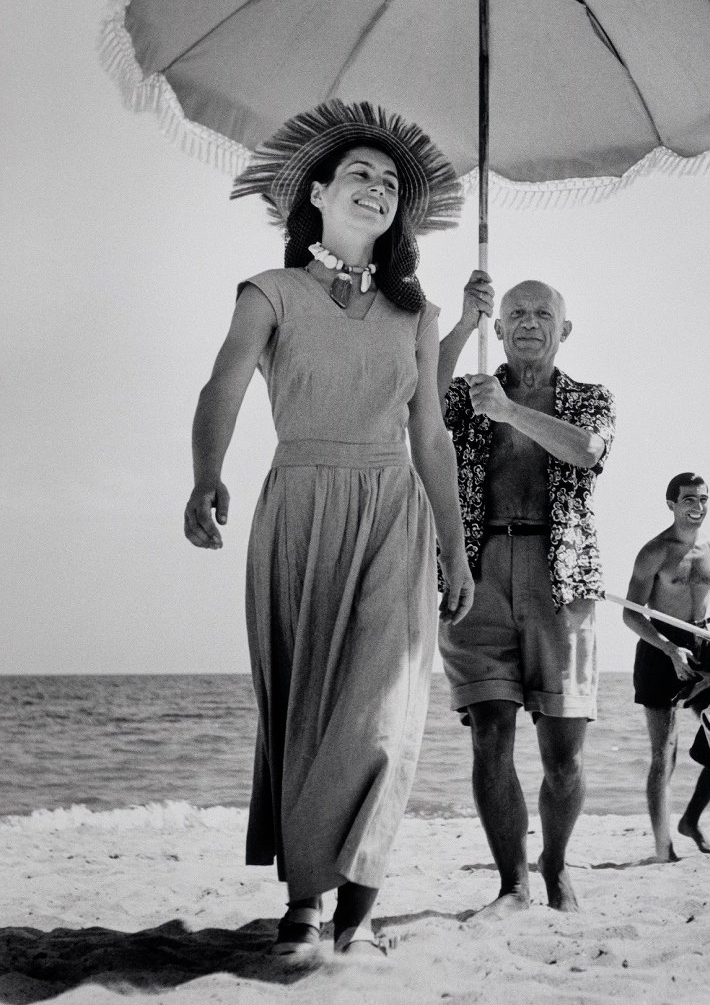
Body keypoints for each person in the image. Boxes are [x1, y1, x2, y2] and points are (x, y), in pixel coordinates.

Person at [183, 100, 474, 961]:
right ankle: (306, 899)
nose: (377, 188)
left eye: (390, 182)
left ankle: (360, 897)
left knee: (383, 714)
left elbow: (429, 436)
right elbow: (223, 388)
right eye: (360, 173)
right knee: (308, 709)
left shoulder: (416, 315)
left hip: (393, 512)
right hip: (301, 505)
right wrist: (206, 474)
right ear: (315, 193)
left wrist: (454, 547)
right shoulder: (268, 293)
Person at [437, 271, 616, 914]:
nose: (529, 323)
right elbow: (416, 401)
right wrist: (461, 324)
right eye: (515, 313)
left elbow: (587, 453)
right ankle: (511, 882)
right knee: (489, 734)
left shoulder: (590, 397)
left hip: (560, 576)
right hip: (476, 571)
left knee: (563, 751)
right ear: (500, 327)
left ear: (564, 329)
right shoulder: (470, 392)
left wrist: (510, 412)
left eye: (543, 313)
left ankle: (556, 864)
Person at [624, 472, 710, 863]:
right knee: (665, 752)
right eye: (689, 500)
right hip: (660, 647)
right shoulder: (655, 552)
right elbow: (631, 615)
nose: (697, 508)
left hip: (705, 642)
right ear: (672, 505)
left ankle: (691, 819)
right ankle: (663, 848)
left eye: (703, 500)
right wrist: (667, 648)